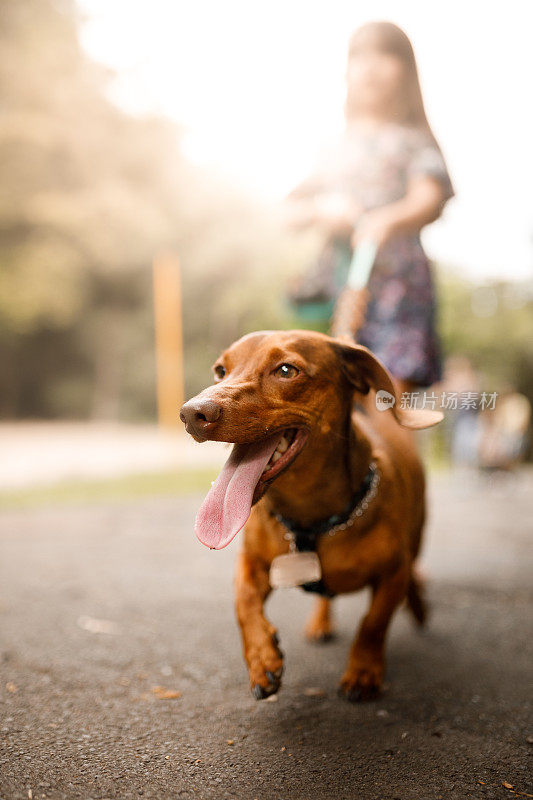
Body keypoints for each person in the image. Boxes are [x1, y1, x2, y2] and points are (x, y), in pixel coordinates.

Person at [287, 21, 454, 398]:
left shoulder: (414, 139)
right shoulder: (332, 145)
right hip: (338, 286)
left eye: (385, 54)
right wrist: (322, 208)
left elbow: (427, 197)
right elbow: (288, 212)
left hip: (398, 285)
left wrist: (386, 219)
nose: (371, 65)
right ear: (346, 69)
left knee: (387, 399)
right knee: (336, 398)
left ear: (405, 71)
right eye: (360, 55)